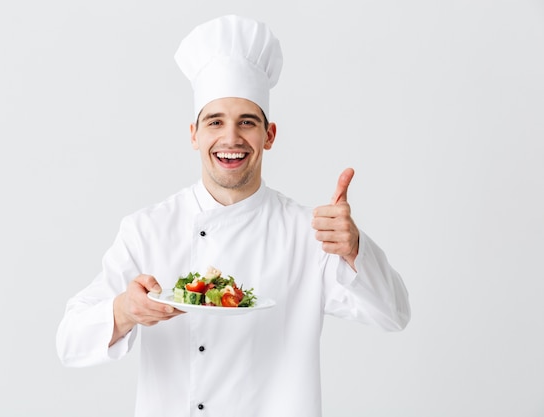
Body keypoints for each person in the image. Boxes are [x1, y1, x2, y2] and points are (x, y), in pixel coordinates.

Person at [56, 14, 410, 416]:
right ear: (194, 134)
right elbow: (69, 342)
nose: (231, 138)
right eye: (215, 122)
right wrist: (122, 312)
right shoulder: (147, 229)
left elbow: (394, 315)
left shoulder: (308, 233)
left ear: (269, 135)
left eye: (247, 122)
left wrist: (355, 248)